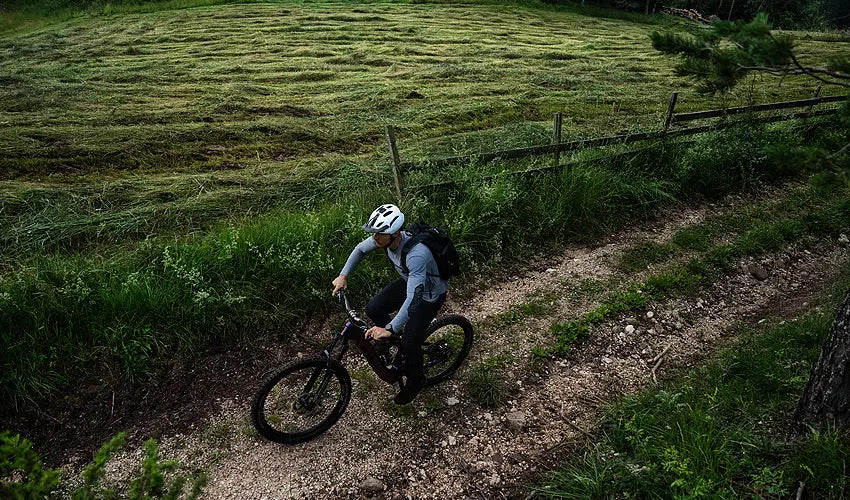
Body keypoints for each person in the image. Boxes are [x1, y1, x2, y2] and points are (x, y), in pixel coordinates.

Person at [331, 204, 449, 405]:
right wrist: (343, 275)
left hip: (429, 295)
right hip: (410, 281)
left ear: (394, 234)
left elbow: (414, 298)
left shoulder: (417, 255)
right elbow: (360, 249)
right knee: (373, 308)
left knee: (410, 341)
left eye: (379, 234)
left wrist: (391, 327)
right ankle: (392, 340)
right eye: (374, 233)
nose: (375, 238)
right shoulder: (385, 239)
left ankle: (416, 380)